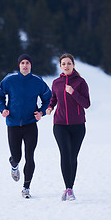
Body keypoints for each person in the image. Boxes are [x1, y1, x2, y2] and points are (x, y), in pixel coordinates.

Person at [0, 54, 51, 199]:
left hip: (30, 124)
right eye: (22, 63)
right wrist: (3, 109)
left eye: (27, 63)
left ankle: (26, 187)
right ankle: (13, 164)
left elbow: (48, 99)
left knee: (29, 156)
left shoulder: (38, 81)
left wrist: (41, 112)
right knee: (17, 156)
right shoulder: (10, 79)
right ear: (19, 65)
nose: (25, 65)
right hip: (13, 124)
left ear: (31, 65)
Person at [46, 53, 91, 201]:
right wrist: (50, 107)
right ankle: (68, 189)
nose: (66, 66)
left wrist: (73, 92)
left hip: (78, 125)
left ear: (73, 65)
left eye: (69, 63)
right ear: (60, 66)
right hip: (59, 125)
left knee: (73, 156)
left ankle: (70, 187)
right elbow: (53, 99)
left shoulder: (80, 82)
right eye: (63, 63)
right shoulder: (56, 82)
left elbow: (86, 104)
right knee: (65, 154)